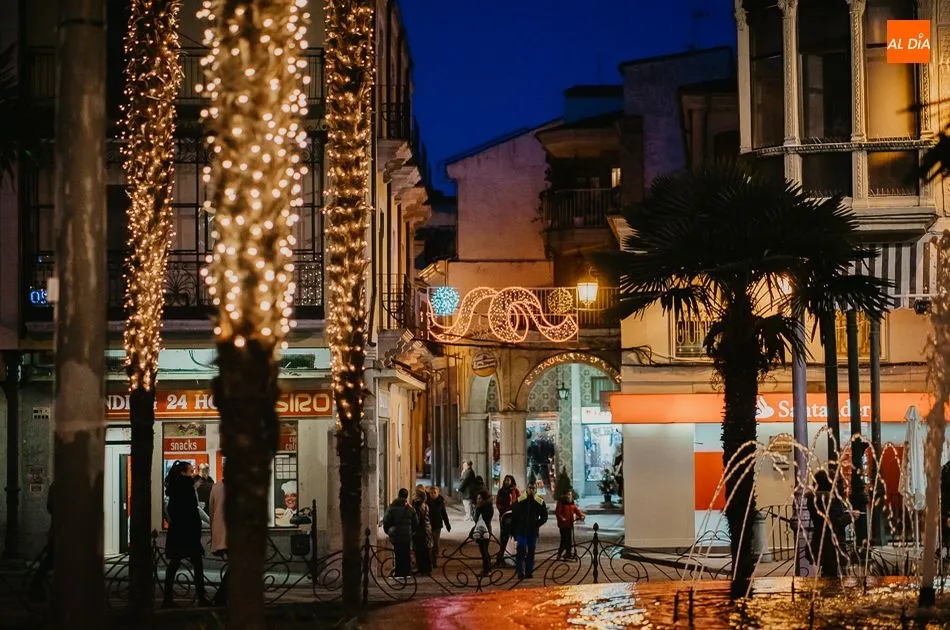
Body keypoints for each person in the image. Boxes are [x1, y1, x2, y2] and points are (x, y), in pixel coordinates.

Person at [163, 461, 210, 607]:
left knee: (174, 564)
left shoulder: (173, 488)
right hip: (188, 532)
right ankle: (201, 597)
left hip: (177, 531)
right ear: (183, 473)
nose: (193, 473)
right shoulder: (187, 487)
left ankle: (167, 598)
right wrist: (197, 527)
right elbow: (193, 510)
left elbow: (171, 510)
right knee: (197, 563)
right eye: (191, 471)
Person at [806, 470, 851, 578]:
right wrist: (851, 517)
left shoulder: (812, 499)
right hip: (833, 542)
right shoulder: (830, 499)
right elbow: (836, 522)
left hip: (819, 539)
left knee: (826, 572)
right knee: (834, 575)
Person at [511, 484, 548, 579]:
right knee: (521, 551)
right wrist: (515, 529)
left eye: (533, 488)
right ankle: (520, 571)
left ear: (536, 490)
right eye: (529, 488)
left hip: (532, 531)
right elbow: (514, 513)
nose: (531, 490)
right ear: (526, 489)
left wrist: (537, 524)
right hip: (521, 530)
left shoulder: (539, 501)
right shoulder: (521, 499)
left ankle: (529, 571)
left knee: (531, 552)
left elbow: (544, 516)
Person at [382, 488, 418, 578]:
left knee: (397, 553)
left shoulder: (392, 507)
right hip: (407, 535)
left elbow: (386, 521)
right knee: (406, 553)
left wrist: (388, 531)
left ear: (398, 495)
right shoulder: (410, 508)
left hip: (396, 535)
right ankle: (406, 572)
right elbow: (416, 522)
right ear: (407, 496)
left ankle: (399, 573)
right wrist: (411, 531)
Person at [29, 482, 54, 600]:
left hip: (57, 530)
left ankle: (36, 586)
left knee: (50, 561)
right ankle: (35, 587)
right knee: (51, 561)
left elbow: (50, 507)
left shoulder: (56, 485)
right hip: (60, 532)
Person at [208, 465, 228, 606]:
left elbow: (211, 511)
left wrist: (212, 532)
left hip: (220, 532)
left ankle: (222, 596)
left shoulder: (215, 487)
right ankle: (221, 596)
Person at [494, 475, 520, 567]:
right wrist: (502, 510)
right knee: (504, 538)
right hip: (505, 516)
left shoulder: (515, 491)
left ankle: (515, 558)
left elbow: (519, 501)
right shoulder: (501, 491)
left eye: (508, 480)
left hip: (514, 516)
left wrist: (516, 509)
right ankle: (500, 559)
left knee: (515, 537)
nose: (507, 481)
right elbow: (498, 503)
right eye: (506, 480)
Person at [555, 490, 585, 560]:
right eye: (568, 494)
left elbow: (576, 510)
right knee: (564, 539)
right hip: (563, 525)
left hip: (569, 524)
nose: (569, 496)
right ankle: (559, 554)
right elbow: (558, 513)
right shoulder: (561, 502)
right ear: (565, 495)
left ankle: (568, 553)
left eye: (570, 494)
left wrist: (581, 515)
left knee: (569, 540)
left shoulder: (571, 503)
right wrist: (562, 519)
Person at [426, 486, 451, 568]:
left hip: (437, 526)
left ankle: (434, 560)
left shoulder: (440, 502)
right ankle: (428, 561)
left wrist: (447, 525)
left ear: (438, 493)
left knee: (436, 544)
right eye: (431, 493)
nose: (433, 494)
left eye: (434, 493)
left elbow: (444, 514)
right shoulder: (426, 502)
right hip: (428, 525)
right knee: (429, 543)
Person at [411, 488, 433, 576]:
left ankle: (422, 569)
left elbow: (417, 520)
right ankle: (426, 569)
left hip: (420, 531)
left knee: (420, 551)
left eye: (414, 494)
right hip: (427, 529)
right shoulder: (425, 505)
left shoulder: (417, 506)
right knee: (425, 551)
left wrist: (413, 529)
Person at [472, 491, 494, 576]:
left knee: (484, 550)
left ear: (484, 499)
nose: (478, 500)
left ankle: (487, 570)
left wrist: (476, 510)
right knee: (484, 550)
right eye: (477, 498)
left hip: (484, 531)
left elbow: (478, 519)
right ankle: (487, 569)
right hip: (484, 530)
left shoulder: (485, 507)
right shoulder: (484, 506)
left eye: (480, 498)